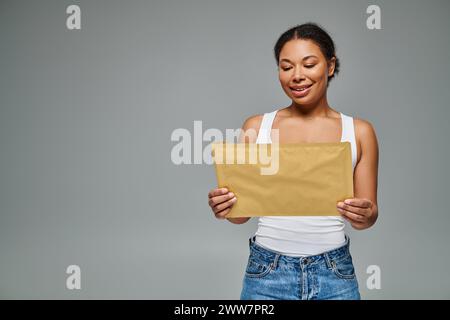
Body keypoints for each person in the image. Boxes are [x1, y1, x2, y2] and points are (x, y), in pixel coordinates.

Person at [207, 22, 379, 300]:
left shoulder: (360, 131)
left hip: (334, 272)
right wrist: (225, 206)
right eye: (286, 67)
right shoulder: (256, 127)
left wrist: (365, 213)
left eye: (309, 64)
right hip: (266, 272)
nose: (297, 75)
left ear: (330, 66)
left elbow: (367, 217)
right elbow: (240, 216)